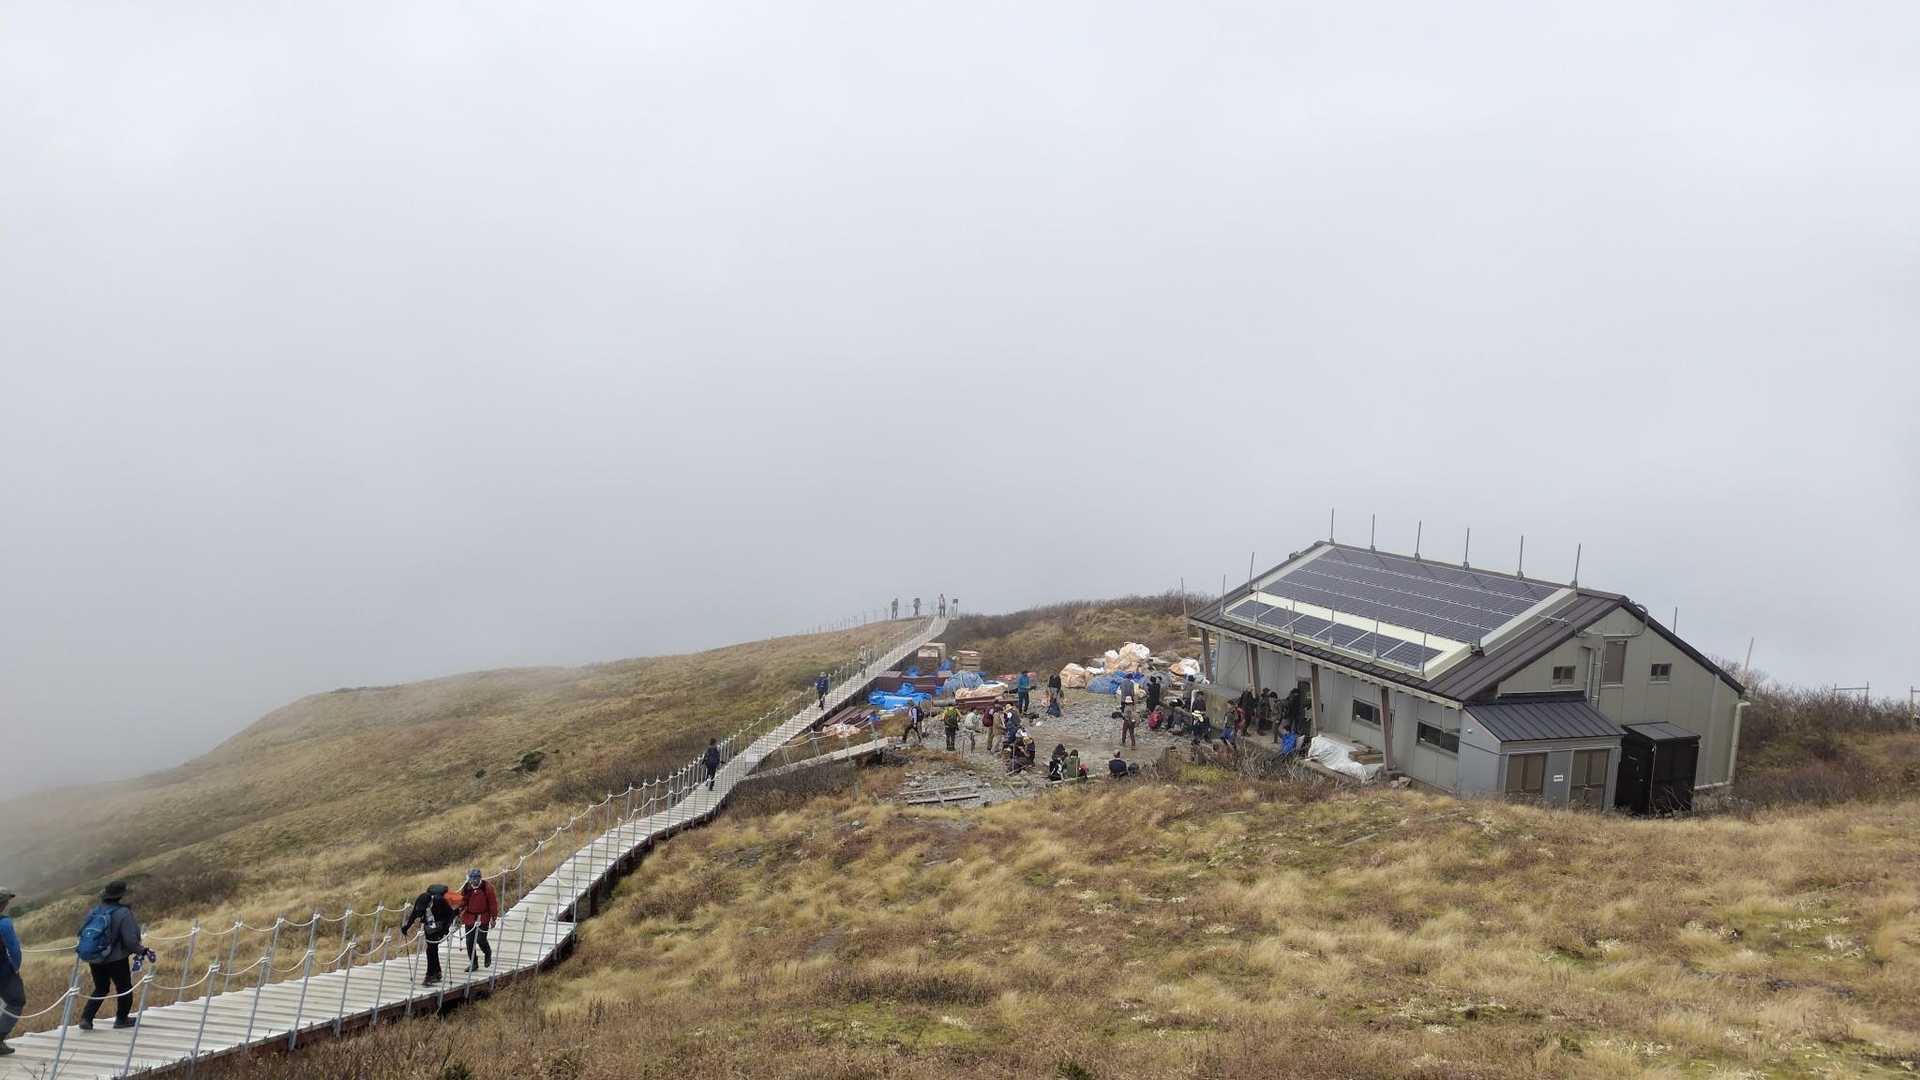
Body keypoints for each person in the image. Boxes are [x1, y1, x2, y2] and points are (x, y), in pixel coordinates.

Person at [73, 880, 143, 1031]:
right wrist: (140, 950)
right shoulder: (123, 913)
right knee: (124, 988)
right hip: (116, 959)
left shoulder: (95, 911)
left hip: (96, 957)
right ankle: (121, 1019)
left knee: (101, 988)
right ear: (121, 896)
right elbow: (130, 939)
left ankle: (86, 1018)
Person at [402, 884, 456, 987]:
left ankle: (430, 975)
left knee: (430, 950)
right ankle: (437, 972)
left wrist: (445, 929)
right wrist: (406, 927)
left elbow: (451, 914)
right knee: (432, 949)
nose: (421, 912)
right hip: (429, 927)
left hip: (439, 925)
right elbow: (414, 914)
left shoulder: (439, 901)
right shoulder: (420, 901)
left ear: (429, 903)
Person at [457, 869, 498, 972]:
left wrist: (493, 918)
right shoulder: (467, 888)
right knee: (469, 942)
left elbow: (493, 903)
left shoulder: (487, 887)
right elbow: (463, 901)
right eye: (472, 878)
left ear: (480, 878)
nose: (474, 880)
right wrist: (457, 911)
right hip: (470, 918)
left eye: (476, 878)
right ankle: (473, 963)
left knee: (481, 939)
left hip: (483, 917)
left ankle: (487, 953)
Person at [0, 887, 21, 1055]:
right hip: (3, 971)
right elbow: (14, 950)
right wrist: (15, 968)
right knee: (16, 1002)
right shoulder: (4, 923)